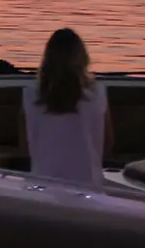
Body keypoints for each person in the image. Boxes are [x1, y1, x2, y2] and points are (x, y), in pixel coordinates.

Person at [22, 28, 112, 186]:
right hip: (89, 187)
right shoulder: (97, 95)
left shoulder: (30, 96)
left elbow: (24, 147)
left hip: (42, 187)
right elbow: (108, 144)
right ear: (83, 58)